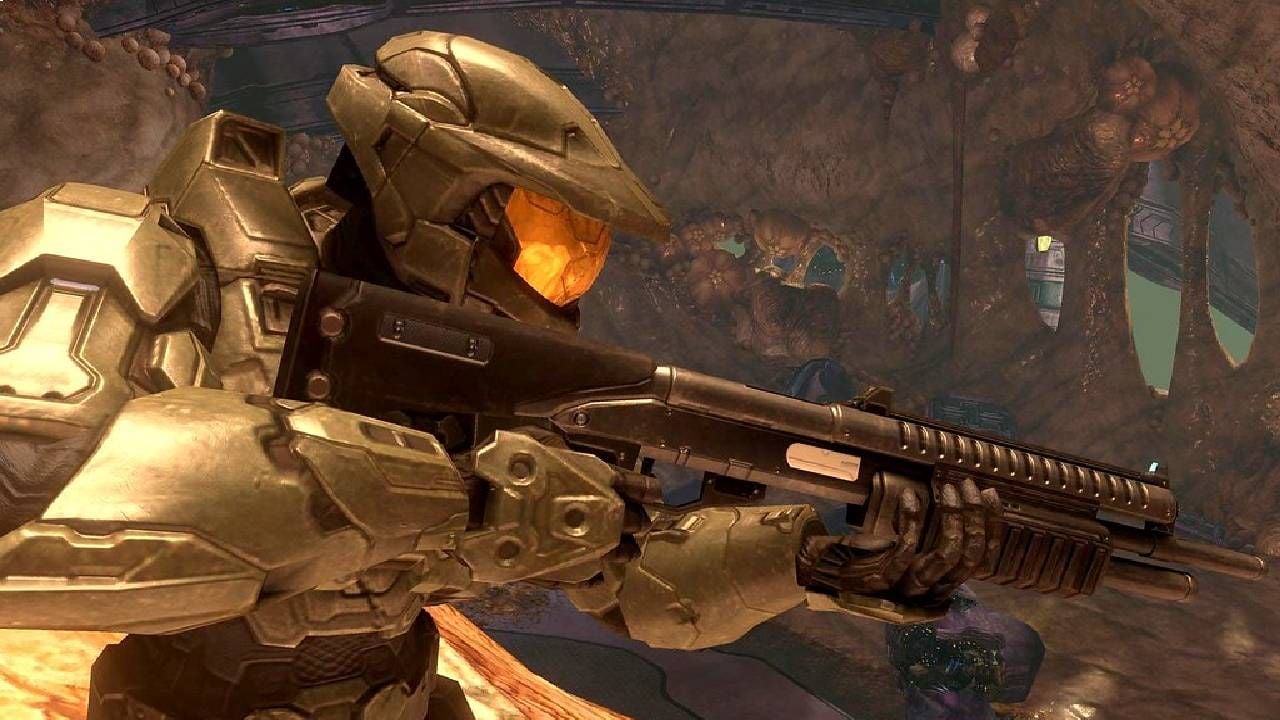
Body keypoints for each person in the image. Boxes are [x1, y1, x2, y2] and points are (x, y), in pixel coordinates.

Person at [0, 31, 999, 719]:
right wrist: (465, 501)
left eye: (582, 255)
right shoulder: (135, 260)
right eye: (548, 238)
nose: (561, 285)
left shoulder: (482, 368)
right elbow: (28, 509)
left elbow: (633, 581)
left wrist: (815, 561)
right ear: (445, 193)